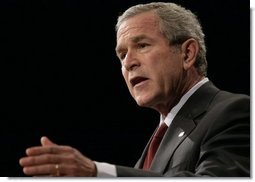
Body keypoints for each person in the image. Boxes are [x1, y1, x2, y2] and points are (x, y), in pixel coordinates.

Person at [19, 2, 250, 177]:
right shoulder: (157, 140)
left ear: (187, 53)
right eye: (122, 55)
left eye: (142, 45)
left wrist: (96, 172)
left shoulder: (235, 112)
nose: (129, 62)